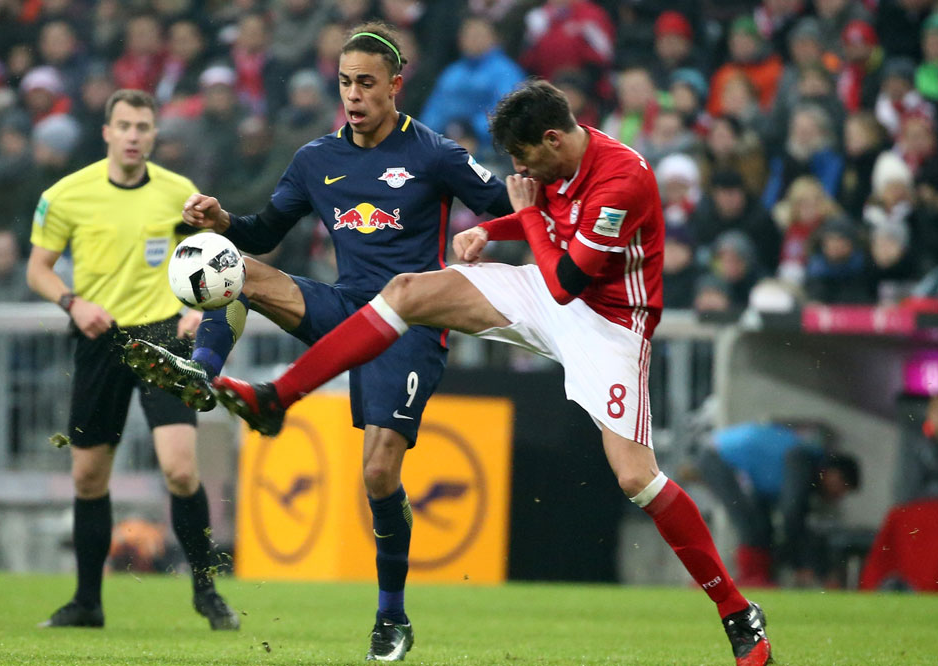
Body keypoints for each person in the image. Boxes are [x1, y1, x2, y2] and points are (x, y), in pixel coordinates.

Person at [209, 80, 773, 666]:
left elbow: (566, 280)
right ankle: (279, 396)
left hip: (609, 324)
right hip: (549, 292)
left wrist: (520, 216)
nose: (519, 172)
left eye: (524, 159)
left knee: (637, 478)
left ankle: (737, 611)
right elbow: (548, 224)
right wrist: (492, 228)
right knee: (406, 292)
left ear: (553, 140)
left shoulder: (622, 180)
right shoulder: (558, 161)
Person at [123, 23, 512, 661]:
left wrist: (502, 225)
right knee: (229, 263)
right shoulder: (315, 159)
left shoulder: (436, 153)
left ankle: (392, 616)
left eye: (366, 83)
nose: (354, 95)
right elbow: (263, 232)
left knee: (378, 475)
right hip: (345, 309)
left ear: (395, 85)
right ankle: (202, 371)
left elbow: (500, 202)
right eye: (345, 82)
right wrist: (223, 221)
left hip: (410, 324)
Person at [26, 89, 239, 631]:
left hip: (164, 338)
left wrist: (197, 309)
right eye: (124, 125)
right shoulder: (67, 194)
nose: (133, 136)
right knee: (88, 477)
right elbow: (38, 269)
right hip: (99, 337)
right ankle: (87, 602)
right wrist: (73, 302)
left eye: (143, 127)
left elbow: (212, 257)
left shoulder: (178, 192)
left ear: (153, 134)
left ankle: (207, 593)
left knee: (180, 468)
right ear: (107, 132)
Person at [688, 421, 861, 587]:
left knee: (761, 526)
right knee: (750, 524)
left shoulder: (804, 459)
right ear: (834, 474)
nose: (838, 497)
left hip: (733, 461)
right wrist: (802, 563)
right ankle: (751, 577)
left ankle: (758, 576)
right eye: (842, 489)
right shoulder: (802, 461)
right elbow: (792, 514)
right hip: (719, 458)